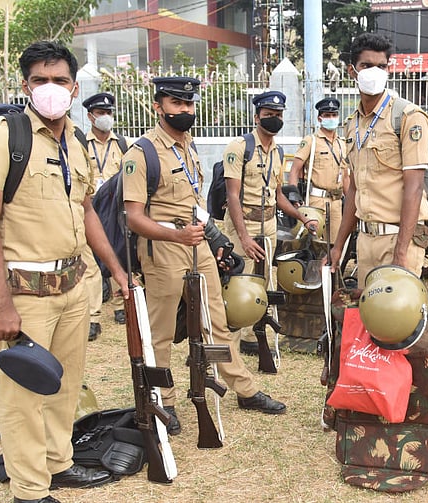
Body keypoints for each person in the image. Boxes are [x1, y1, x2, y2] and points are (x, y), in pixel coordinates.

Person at [0, 41, 129, 503]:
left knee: (65, 385)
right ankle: (29, 489)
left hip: (74, 286)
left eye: (60, 80)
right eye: (40, 80)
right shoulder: (1, 135)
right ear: (25, 86)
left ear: (75, 88)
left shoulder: (76, 141)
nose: (51, 89)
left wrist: (115, 268)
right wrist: (0, 303)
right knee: (22, 398)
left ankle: (58, 463)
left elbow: (87, 211)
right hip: (24, 292)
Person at [123, 77, 288, 436]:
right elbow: (134, 217)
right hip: (163, 247)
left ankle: (243, 389)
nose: (184, 110)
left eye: (188, 104)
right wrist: (177, 235)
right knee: (162, 329)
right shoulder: (142, 152)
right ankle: (162, 398)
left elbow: (195, 204)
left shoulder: (188, 146)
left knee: (217, 321)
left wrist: (214, 241)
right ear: (158, 106)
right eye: (176, 104)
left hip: (197, 242)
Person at [328, 33, 428, 286]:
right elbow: (354, 188)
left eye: (381, 66)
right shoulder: (352, 124)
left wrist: (401, 252)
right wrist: (338, 246)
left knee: (395, 321)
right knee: (369, 318)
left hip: (399, 238)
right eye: (366, 66)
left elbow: (415, 186)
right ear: (352, 71)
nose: (375, 72)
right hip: (366, 240)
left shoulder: (407, 116)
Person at [223, 90, 317, 353]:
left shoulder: (278, 152)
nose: (274, 119)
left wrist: (301, 217)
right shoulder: (239, 148)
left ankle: (254, 331)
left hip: (268, 224)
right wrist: (243, 237)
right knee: (240, 279)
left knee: (262, 279)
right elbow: (232, 196)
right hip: (244, 223)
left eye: (278, 115)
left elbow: (277, 196)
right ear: (256, 117)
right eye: (268, 115)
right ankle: (236, 334)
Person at [80, 92, 127, 340]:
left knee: (119, 251)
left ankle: (121, 307)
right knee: (90, 262)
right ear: (90, 116)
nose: (106, 118)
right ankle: (93, 316)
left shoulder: (121, 144)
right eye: (101, 113)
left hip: (114, 206)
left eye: (109, 113)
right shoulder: (81, 142)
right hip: (90, 205)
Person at [289, 97, 349, 243]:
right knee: (315, 242)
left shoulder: (342, 144)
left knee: (335, 243)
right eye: (327, 115)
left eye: (334, 115)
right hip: (316, 200)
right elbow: (295, 170)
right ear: (319, 118)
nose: (331, 118)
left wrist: (350, 201)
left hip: (336, 201)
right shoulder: (311, 141)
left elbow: (346, 176)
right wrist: (294, 198)